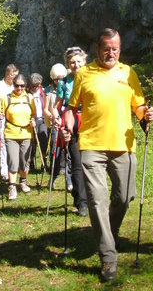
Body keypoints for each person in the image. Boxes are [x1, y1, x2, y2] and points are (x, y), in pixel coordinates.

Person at [64, 29, 153, 282]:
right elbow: (72, 108)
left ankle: (110, 232)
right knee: (97, 200)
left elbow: (138, 105)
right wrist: (67, 126)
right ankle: (108, 256)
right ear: (97, 48)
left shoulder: (128, 72)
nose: (111, 53)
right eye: (106, 48)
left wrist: (146, 115)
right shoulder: (84, 74)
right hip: (92, 144)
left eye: (115, 48)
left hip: (123, 145)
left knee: (125, 197)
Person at [56, 47, 88, 217]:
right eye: (72, 62)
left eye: (78, 61)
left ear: (84, 61)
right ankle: (81, 202)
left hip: (91, 120)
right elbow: (57, 106)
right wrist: (57, 120)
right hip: (72, 120)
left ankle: (91, 197)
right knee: (76, 161)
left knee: (91, 161)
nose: (76, 65)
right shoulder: (63, 83)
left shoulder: (92, 77)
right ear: (68, 64)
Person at [0, 74, 36, 200]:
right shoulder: (6, 98)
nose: (19, 88)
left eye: (22, 85)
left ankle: (23, 182)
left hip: (26, 133)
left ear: (25, 86)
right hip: (11, 134)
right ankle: (12, 187)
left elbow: (34, 115)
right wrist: (0, 116)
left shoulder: (29, 98)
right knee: (13, 161)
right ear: (13, 85)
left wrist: (34, 120)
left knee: (24, 162)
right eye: (17, 85)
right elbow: (0, 112)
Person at [0, 64, 18, 180]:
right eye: (12, 76)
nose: (13, 78)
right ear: (6, 74)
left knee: (12, 144)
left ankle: (13, 167)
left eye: (15, 76)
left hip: (14, 119)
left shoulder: (17, 86)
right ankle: (4, 171)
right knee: (1, 144)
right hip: (0, 118)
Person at [28, 73, 48, 169]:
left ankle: (44, 160)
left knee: (43, 136)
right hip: (31, 120)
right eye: (33, 86)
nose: (35, 88)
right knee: (32, 141)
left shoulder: (44, 92)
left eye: (37, 85)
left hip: (42, 119)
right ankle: (31, 161)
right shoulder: (26, 93)